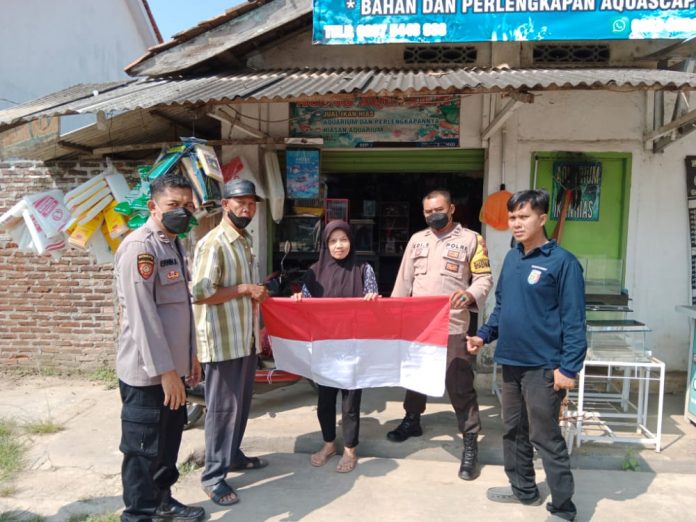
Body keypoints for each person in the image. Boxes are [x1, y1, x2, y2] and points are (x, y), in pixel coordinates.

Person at [467, 189, 586, 522]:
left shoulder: (563, 263)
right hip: (512, 361)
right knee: (513, 430)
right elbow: (502, 307)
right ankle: (523, 488)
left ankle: (563, 507)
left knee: (544, 436)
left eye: (524, 217)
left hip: (545, 366)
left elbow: (575, 321)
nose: (516, 223)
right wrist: (483, 335)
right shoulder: (513, 259)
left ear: (542, 218)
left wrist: (569, 368)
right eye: (512, 218)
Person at [114, 173, 204, 522]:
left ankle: (163, 502)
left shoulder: (173, 244)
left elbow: (180, 308)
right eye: (173, 204)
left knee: (167, 443)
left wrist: (190, 357)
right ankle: (138, 514)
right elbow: (143, 316)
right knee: (142, 449)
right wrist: (166, 372)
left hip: (173, 370)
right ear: (153, 206)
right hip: (148, 374)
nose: (182, 211)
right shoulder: (141, 247)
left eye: (187, 205)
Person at [388, 189, 493, 481]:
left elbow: (484, 278)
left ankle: (470, 441)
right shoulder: (417, 240)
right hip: (418, 325)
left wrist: (470, 294)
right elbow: (403, 281)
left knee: (459, 383)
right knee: (415, 377)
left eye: (438, 209)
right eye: (428, 211)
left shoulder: (472, 239)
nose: (433, 214)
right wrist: (394, 317)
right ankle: (412, 419)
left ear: (451, 209)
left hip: (452, 324)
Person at [191, 179, 269, 507]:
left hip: (244, 339)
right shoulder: (214, 243)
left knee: (241, 405)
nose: (247, 209)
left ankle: (232, 455)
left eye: (251, 204)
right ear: (225, 205)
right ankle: (213, 477)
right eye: (241, 203)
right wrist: (245, 289)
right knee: (222, 410)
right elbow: (201, 292)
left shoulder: (245, 240)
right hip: (222, 340)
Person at [291, 220, 379, 473]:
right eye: (333, 241)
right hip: (326, 347)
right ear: (325, 244)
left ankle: (350, 449)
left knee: (350, 403)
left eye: (344, 239)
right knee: (325, 401)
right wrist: (298, 299)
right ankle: (329, 444)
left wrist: (372, 299)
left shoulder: (363, 269)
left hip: (354, 346)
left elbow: (373, 303)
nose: (339, 245)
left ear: (351, 241)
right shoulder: (314, 273)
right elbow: (305, 308)